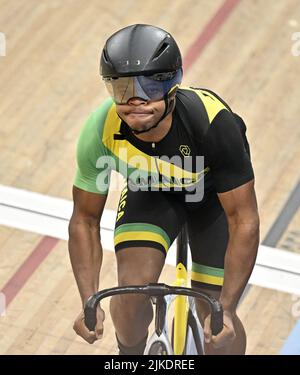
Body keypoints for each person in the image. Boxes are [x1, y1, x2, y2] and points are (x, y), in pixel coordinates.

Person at [69, 24, 260, 355]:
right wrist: (89, 299)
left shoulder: (212, 123)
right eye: (122, 87)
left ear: (173, 85)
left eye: (150, 86)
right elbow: (84, 219)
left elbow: (244, 220)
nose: (136, 100)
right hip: (151, 192)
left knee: (214, 320)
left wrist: (226, 308)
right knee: (127, 301)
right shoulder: (100, 130)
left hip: (212, 200)